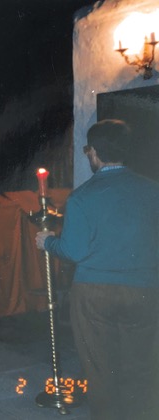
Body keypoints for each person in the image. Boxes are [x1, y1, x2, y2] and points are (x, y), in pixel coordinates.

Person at [35, 119, 159, 420]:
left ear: (93, 152)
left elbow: (74, 251)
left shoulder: (83, 196)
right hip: (145, 290)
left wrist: (48, 242)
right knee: (142, 364)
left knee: (101, 368)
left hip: (95, 294)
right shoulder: (153, 190)